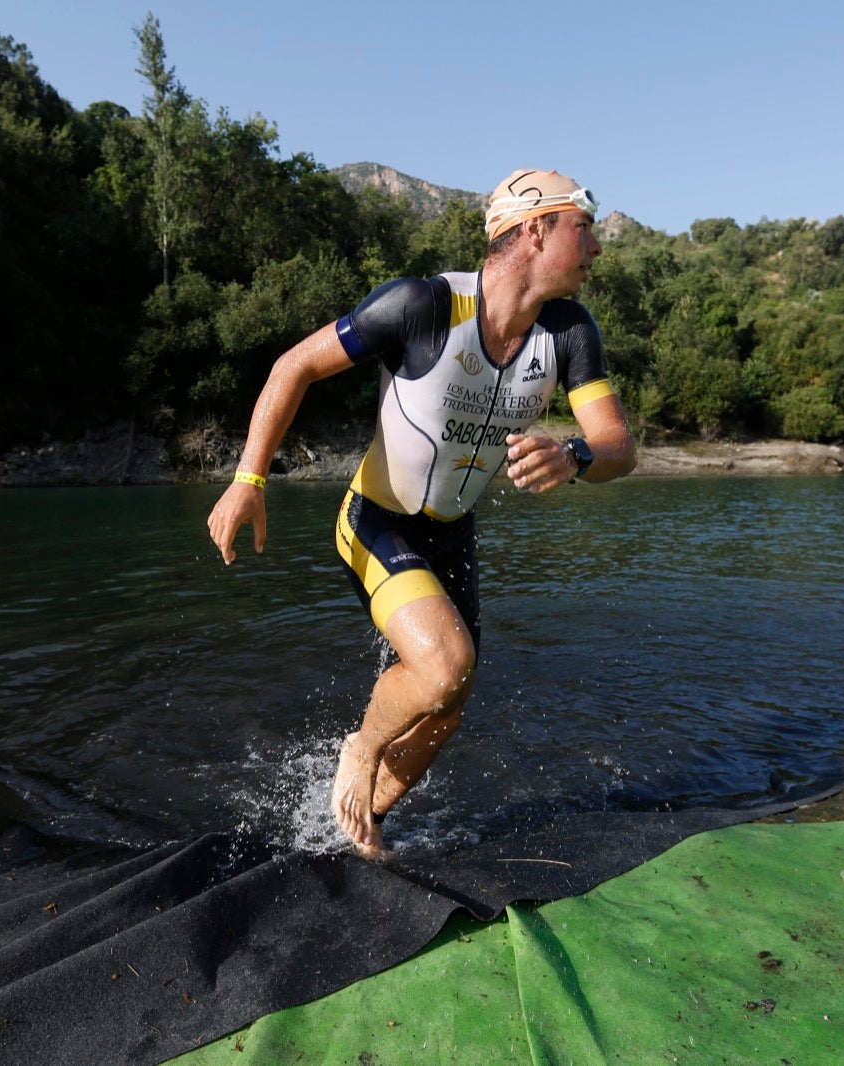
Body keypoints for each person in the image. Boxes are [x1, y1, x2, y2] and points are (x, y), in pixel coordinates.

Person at [206, 168, 636, 857]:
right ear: (534, 230)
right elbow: (294, 366)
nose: (595, 248)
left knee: (448, 703)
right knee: (445, 665)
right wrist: (248, 478)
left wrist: (576, 456)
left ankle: (356, 833)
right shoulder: (422, 306)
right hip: (377, 519)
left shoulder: (569, 331)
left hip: (451, 533)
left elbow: (620, 446)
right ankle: (360, 746)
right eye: (582, 230)